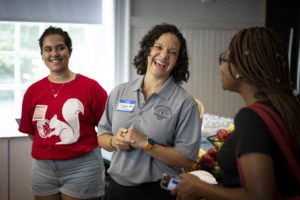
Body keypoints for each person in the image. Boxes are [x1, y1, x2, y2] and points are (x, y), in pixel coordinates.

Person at [172, 26, 300, 200]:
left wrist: (199, 188)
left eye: (224, 58)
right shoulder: (286, 107)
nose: (221, 66)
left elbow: (258, 196)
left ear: (241, 69)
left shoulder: (251, 118)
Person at [97, 23, 202, 200]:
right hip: (116, 189)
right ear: (148, 50)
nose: (163, 55)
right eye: (158, 47)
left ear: (177, 62)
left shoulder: (185, 103)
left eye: (173, 52)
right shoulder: (119, 92)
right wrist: (114, 141)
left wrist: (146, 144)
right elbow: (102, 135)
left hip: (160, 190)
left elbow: (187, 159)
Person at [18, 26, 108, 200]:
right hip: (43, 169)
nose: (54, 54)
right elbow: (32, 132)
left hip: (82, 167)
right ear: (42, 54)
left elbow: (106, 128)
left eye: (60, 47)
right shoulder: (33, 91)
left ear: (69, 51)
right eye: (48, 49)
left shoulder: (91, 88)